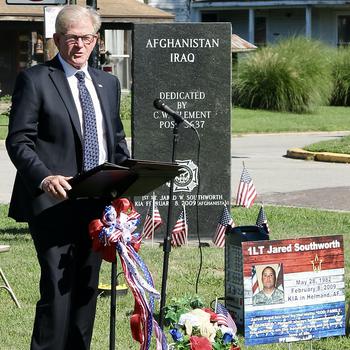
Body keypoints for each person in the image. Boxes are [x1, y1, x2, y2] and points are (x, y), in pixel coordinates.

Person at [6, 5, 129, 350]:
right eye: (71, 38)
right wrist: (44, 178)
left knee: (87, 292)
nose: (79, 45)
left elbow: (115, 142)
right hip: (54, 203)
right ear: (57, 39)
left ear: (96, 40)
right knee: (58, 294)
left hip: (98, 207)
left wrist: (127, 189)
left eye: (86, 38)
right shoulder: (35, 80)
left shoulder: (108, 82)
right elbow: (18, 140)